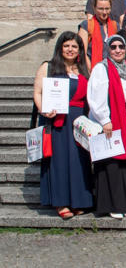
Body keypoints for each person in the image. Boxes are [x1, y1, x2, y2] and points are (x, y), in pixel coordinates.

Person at [34, 32, 92, 219]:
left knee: (78, 162)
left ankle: (79, 200)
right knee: (59, 161)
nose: (70, 49)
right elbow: (37, 92)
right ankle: (61, 203)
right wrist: (43, 110)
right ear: (60, 47)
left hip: (79, 121)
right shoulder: (48, 67)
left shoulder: (83, 68)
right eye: (67, 46)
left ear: (79, 50)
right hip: (57, 120)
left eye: (74, 46)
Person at [87, 34, 126, 219]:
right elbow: (96, 95)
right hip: (110, 120)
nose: (117, 50)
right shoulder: (102, 68)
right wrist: (105, 119)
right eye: (113, 47)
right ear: (108, 49)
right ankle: (112, 204)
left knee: (124, 163)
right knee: (111, 162)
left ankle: (125, 203)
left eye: (121, 47)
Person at [79, 0, 119, 69]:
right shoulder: (86, 25)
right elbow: (82, 53)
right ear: (94, 8)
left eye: (107, 9)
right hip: (92, 70)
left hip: (112, 70)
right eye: (101, 9)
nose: (104, 12)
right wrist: (91, 72)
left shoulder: (115, 26)